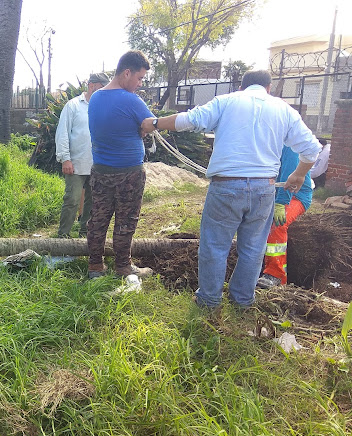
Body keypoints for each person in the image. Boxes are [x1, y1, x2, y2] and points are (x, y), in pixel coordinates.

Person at [142, 70, 321, 309]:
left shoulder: (226, 102)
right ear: (268, 88)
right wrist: (298, 174)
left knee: (215, 246)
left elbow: (189, 120)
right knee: (254, 249)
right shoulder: (284, 110)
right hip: (264, 189)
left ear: (241, 87)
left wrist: (154, 123)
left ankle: (208, 301)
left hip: (226, 186)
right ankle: (243, 300)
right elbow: (312, 148)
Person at [86, 50, 155, 278]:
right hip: (129, 175)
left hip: (100, 171)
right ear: (127, 72)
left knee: (98, 218)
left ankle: (95, 266)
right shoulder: (131, 100)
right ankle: (123, 267)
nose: (139, 84)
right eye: (139, 78)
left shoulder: (95, 97)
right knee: (126, 220)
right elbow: (149, 125)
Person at [55, 72, 110, 238]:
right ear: (91, 85)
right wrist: (65, 159)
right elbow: (62, 133)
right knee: (72, 200)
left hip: (97, 164)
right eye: (102, 87)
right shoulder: (73, 106)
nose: (104, 91)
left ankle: (85, 235)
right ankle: (63, 236)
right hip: (76, 164)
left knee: (93, 203)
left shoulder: (103, 107)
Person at [257, 146, 313, 289]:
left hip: (296, 195)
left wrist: (281, 203)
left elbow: (290, 176)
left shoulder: (289, 146)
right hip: (272, 192)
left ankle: (275, 274)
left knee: (277, 223)